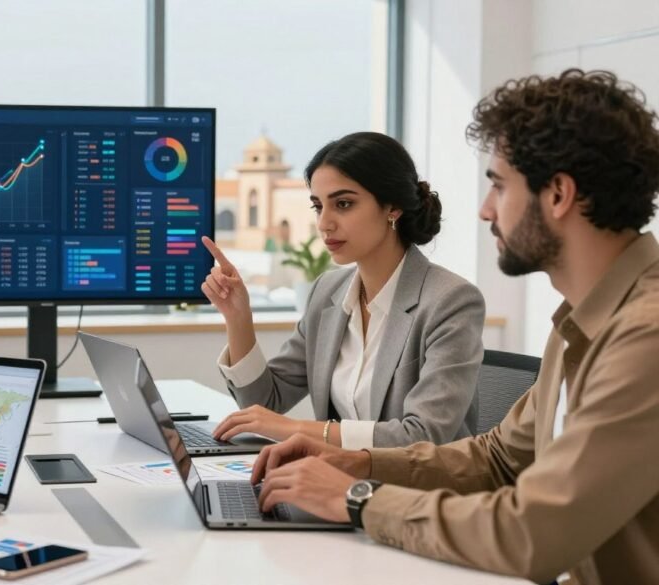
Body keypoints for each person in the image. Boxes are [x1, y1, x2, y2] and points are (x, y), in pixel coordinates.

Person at [251, 69, 659, 585]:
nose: (486, 210)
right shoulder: (578, 322)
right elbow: (498, 460)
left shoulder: (646, 337)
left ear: (557, 194)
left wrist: (356, 499)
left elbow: (532, 533)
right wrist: (356, 463)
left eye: (499, 185)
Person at [203, 132, 486, 449]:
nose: (324, 223)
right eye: (317, 206)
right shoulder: (328, 292)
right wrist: (238, 318)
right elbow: (264, 404)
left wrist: (300, 430)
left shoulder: (450, 301)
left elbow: (422, 436)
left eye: (343, 204)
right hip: (340, 483)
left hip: (417, 492)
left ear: (391, 207)